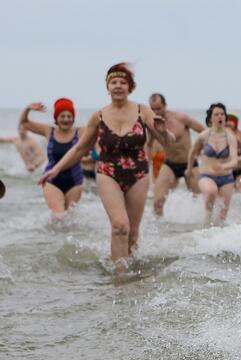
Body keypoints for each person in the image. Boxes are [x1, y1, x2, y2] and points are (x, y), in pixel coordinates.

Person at [39, 63, 171, 272]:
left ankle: (132, 270)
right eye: (113, 82)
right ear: (107, 87)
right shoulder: (99, 116)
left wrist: (163, 131)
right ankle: (119, 276)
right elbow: (80, 148)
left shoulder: (142, 110)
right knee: (120, 226)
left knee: (133, 232)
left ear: (130, 87)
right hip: (108, 172)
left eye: (122, 82)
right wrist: (55, 170)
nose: (118, 86)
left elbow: (168, 143)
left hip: (138, 174)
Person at [20, 99, 86, 217]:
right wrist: (28, 109)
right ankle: (48, 235)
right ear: (56, 117)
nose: (66, 119)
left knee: (70, 219)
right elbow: (24, 123)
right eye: (62, 116)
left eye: (69, 116)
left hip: (75, 181)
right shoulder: (48, 130)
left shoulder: (80, 132)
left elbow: (99, 129)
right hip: (51, 180)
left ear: (73, 118)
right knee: (59, 217)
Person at [147, 93, 206, 216]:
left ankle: (206, 227)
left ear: (165, 105)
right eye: (153, 109)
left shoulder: (181, 118)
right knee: (158, 201)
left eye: (158, 108)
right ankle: (160, 230)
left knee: (201, 199)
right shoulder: (152, 124)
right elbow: (148, 145)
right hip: (170, 164)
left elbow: (204, 132)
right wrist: (148, 165)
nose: (156, 112)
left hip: (189, 164)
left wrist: (200, 150)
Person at [187, 103, 239, 224]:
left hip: (226, 178)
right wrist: (189, 169)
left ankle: (217, 235)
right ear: (210, 118)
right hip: (206, 176)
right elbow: (192, 152)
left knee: (222, 218)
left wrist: (223, 166)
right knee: (211, 191)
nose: (220, 117)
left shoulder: (230, 137)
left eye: (222, 114)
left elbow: (235, 161)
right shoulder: (203, 136)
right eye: (216, 114)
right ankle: (206, 221)